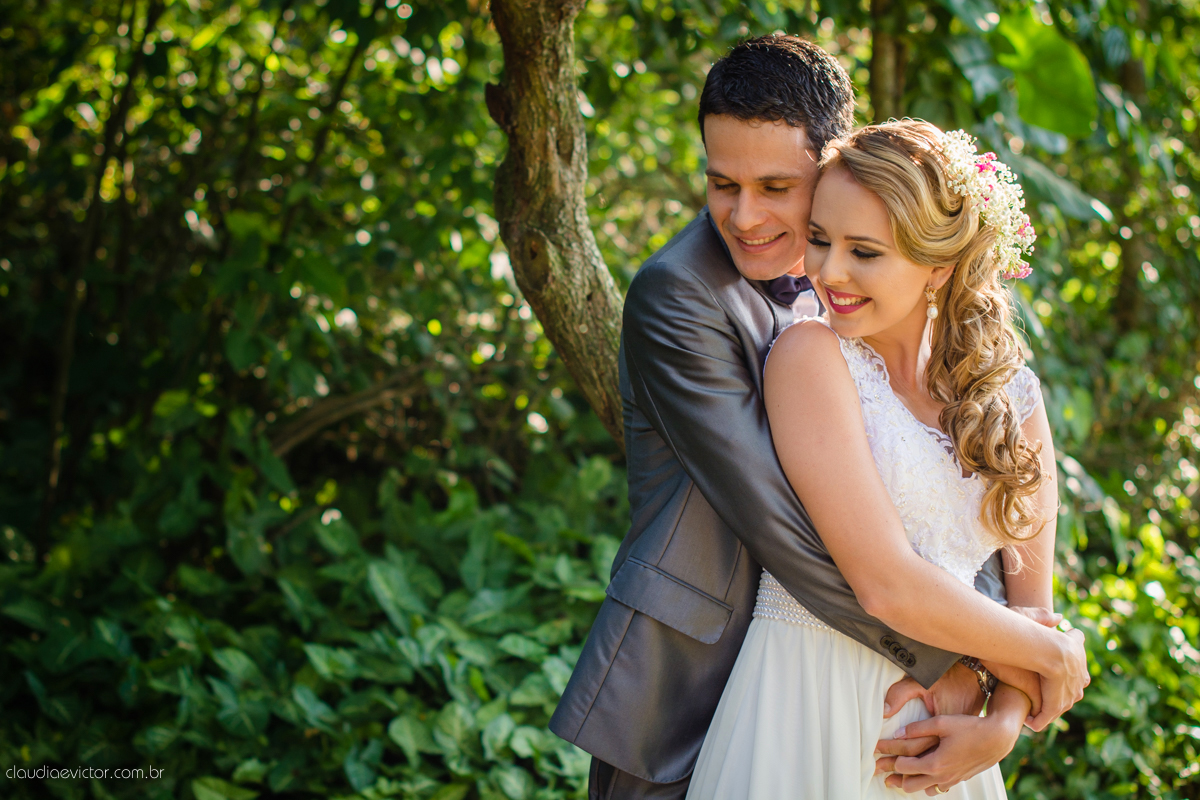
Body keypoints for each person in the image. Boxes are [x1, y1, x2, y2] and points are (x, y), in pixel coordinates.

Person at [548, 35, 1088, 800]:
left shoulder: (960, 358)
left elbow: (982, 549)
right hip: (713, 679)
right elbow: (793, 532)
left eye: (777, 186)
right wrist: (983, 661)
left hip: (904, 703)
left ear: (835, 164)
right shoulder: (684, 295)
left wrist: (1003, 701)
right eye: (722, 184)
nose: (746, 216)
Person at [686, 120, 1079, 798]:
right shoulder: (809, 356)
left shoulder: (1012, 393)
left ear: (939, 266)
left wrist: (1004, 721)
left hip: (943, 737)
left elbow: (1030, 606)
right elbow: (885, 583)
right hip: (810, 699)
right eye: (820, 239)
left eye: (864, 251)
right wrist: (1055, 656)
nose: (828, 272)